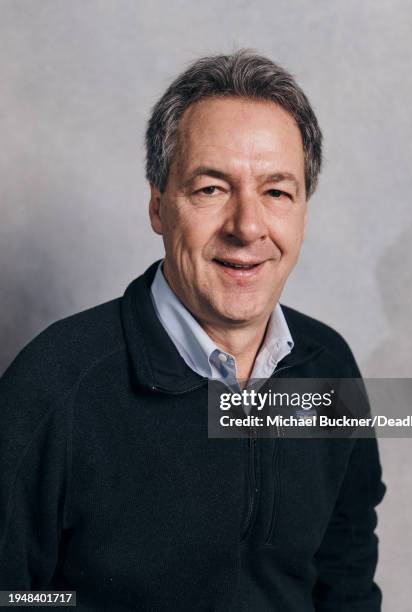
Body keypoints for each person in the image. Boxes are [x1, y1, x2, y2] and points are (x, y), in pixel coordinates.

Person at [0, 50, 385, 611]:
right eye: (211, 189)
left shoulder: (329, 367)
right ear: (158, 205)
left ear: (304, 211)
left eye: (277, 191)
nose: (247, 226)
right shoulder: (53, 386)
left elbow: (345, 575)